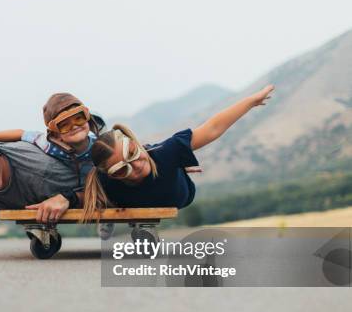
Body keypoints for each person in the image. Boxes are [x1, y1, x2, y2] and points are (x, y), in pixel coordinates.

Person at [81, 85, 275, 221]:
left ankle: (174, 165)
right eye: (123, 170)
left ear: (133, 142)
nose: (136, 166)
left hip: (179, 193)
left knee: (159, 154)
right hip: (135, 198)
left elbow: (212, 128)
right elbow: (78, 192)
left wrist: (251, 101)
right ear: (112, 175)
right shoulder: (104, 180)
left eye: (132, 153)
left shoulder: (167, 152)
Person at [0, 92, 115, 237]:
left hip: (95, 184)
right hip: (66, 183)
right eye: (64, 125)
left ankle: (106, 214)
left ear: (88, 118)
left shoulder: (100, 145)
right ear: (55, 133)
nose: (74, 126)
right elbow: (21, 134)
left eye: (79, 118)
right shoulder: (47, 143)